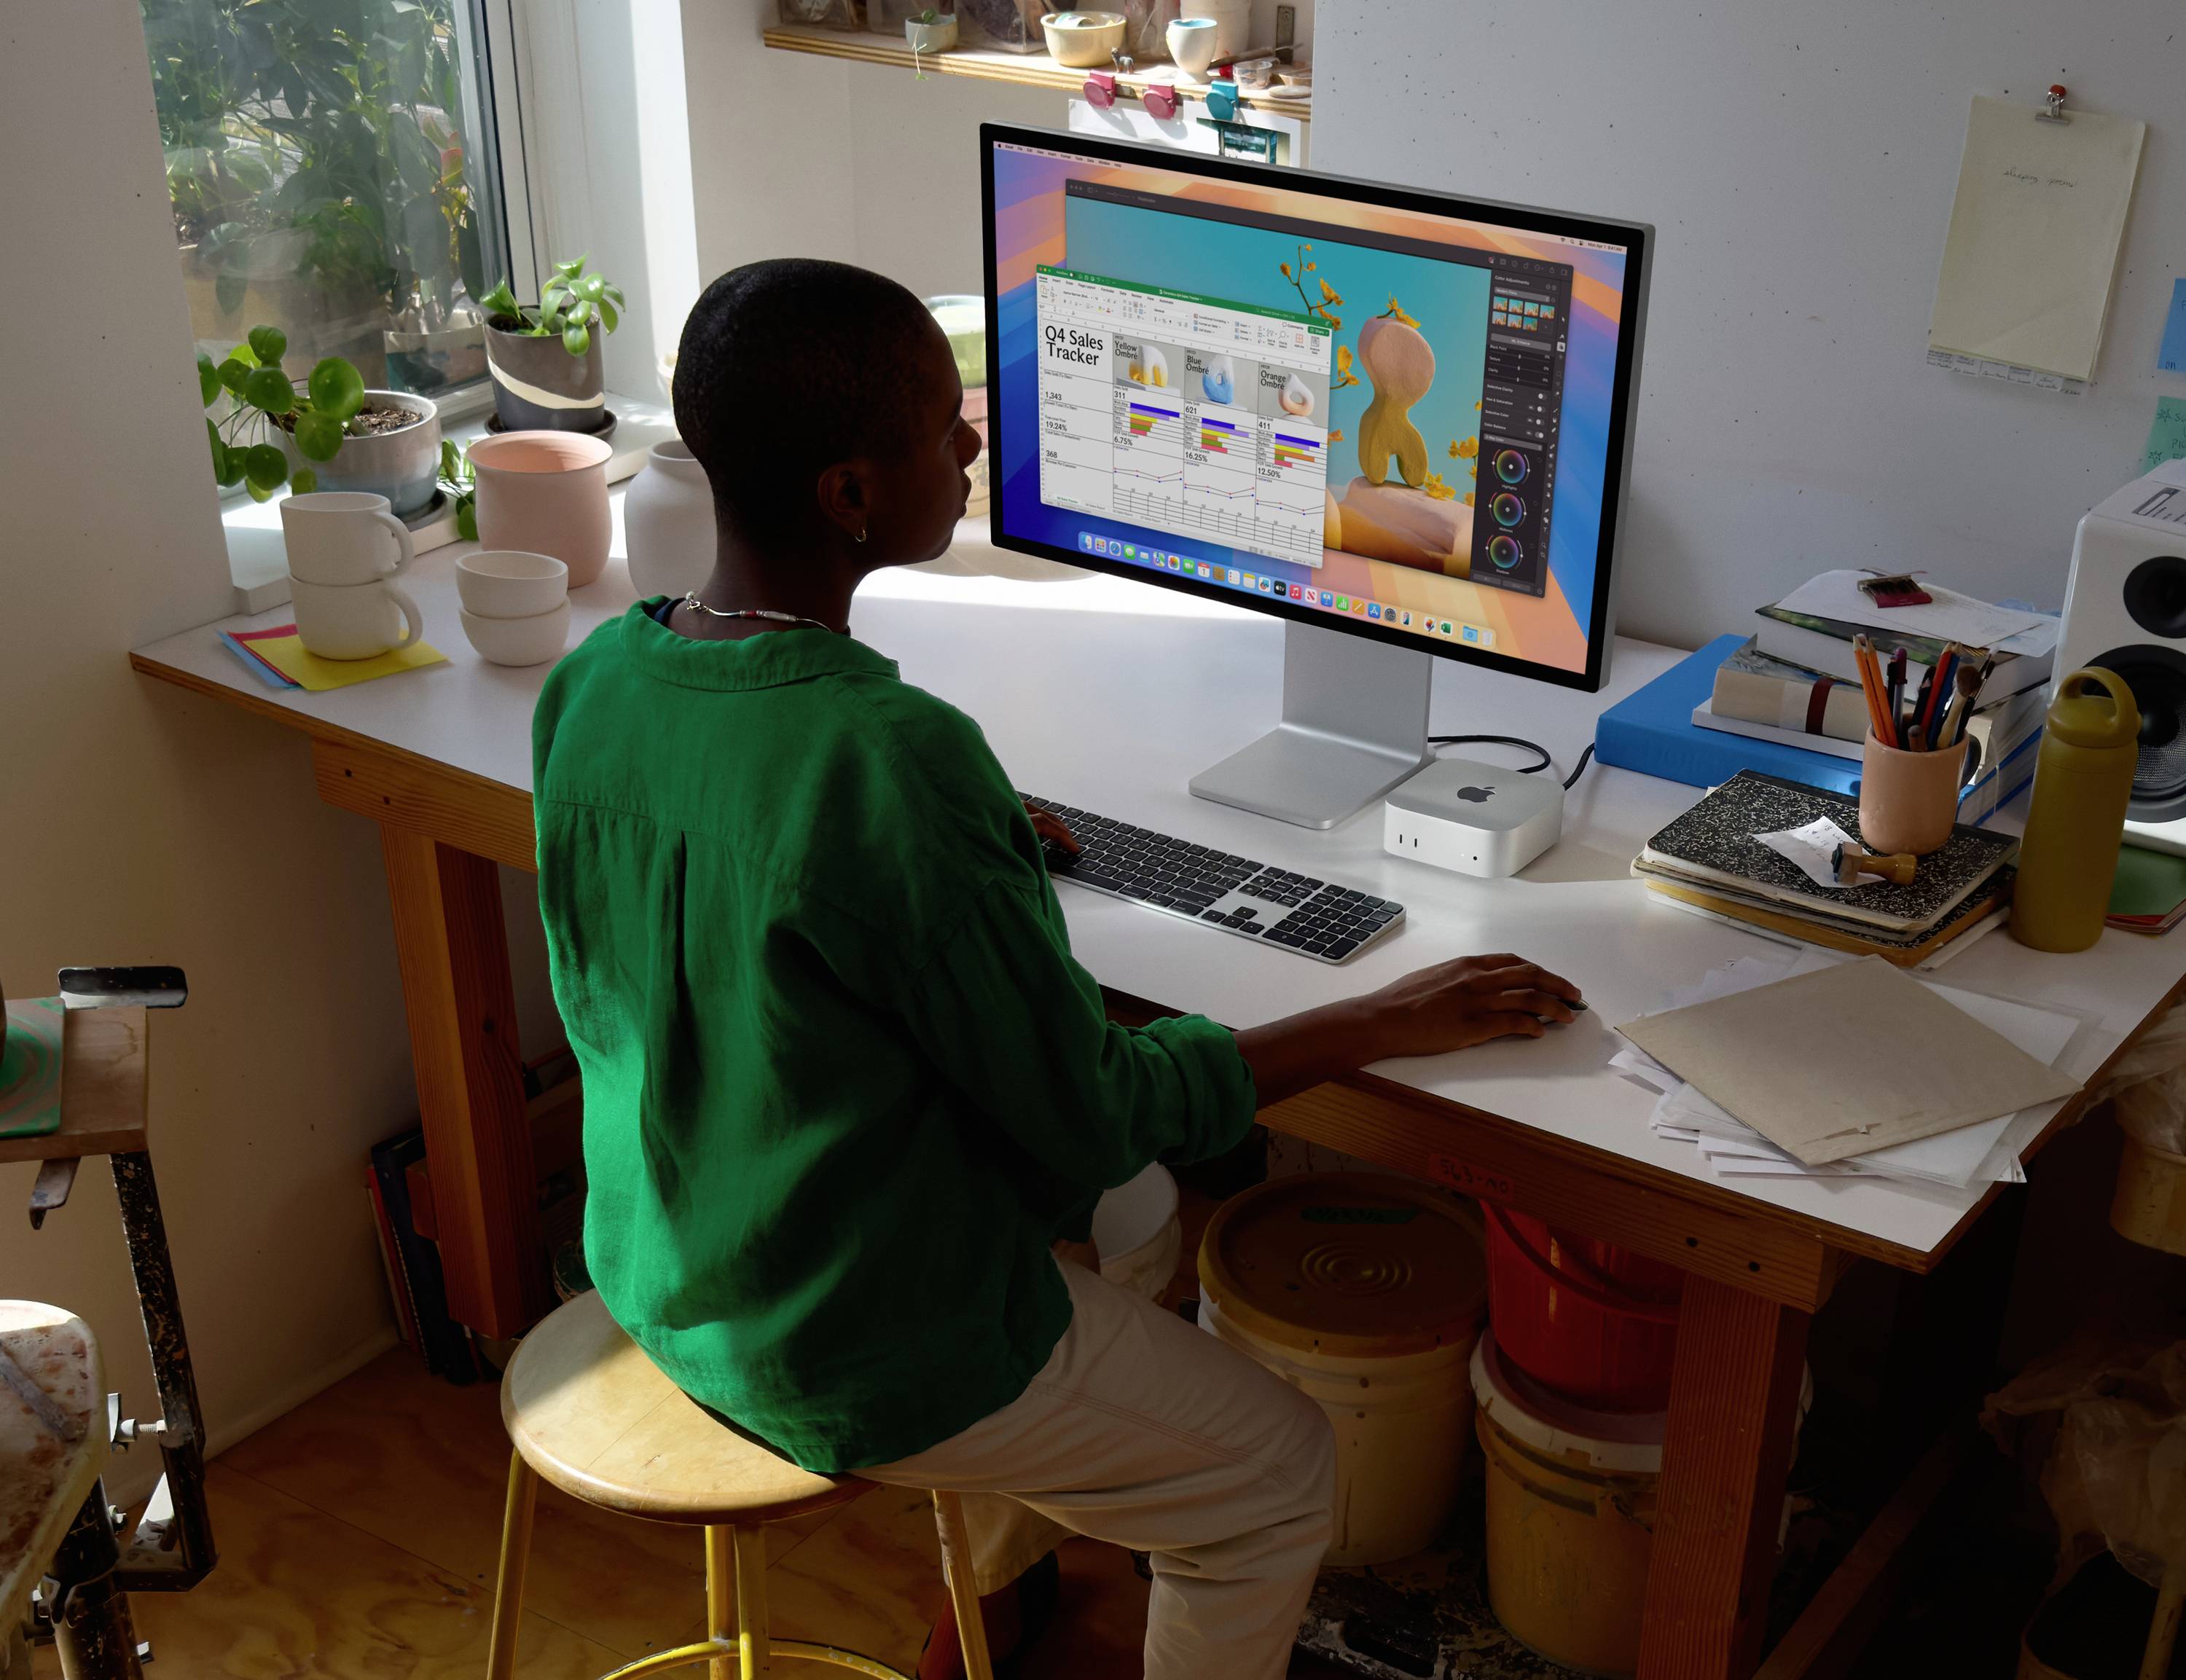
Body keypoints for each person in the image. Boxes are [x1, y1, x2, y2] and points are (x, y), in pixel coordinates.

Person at [532, 258, 1583, 1680]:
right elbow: (1093, 1112)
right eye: (942, 421)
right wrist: (1378, 1017)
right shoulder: (895, 763)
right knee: (1278, 1473)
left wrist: (968, 849)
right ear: (851, 493)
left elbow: (738, 901)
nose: (975, 435)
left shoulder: (597, 680)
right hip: (844, 1343)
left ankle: (1005, 1584)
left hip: (671, 1267)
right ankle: (1055, 1495)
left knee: (1139, 1221)